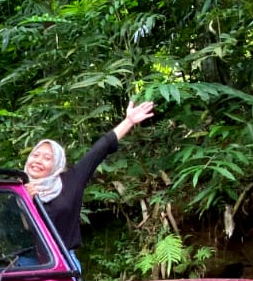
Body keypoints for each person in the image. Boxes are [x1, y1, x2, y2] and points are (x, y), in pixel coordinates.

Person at [25, 100, 156, 252]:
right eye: (36, 155)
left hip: (63, 262)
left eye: (47, 158)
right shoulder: (15, 187)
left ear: (57, 164)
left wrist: (129, 121)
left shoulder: (70, 181)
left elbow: (99, 150)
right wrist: (27, 202)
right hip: (27, 264)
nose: (38, 161)